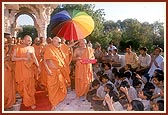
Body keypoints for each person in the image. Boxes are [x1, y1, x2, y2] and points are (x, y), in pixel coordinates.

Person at [12, 35, 40, 110]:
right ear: (23, 40)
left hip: (29, 70)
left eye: (30, 40)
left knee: (30, 88)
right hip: (21, 71)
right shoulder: (17, 47)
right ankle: (26, 98)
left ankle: (31, 102)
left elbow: (34, 58)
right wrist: (23, 58)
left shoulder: (32, 48)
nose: (30, 42)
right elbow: (13, 58)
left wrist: (38, 66)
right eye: (28, 40)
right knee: (22, 88)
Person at [43, 36, 71, 110]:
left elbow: (67, 51)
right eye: (58, 42)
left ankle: (58, 99)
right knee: (52, 88)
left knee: (61, 86)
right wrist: (48, 70)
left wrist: (74, 43)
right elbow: (45, 60)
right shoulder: (49, 48)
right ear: (53, 42)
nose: (59, 43)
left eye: (60, 42)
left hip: (59, 71)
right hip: (52, 71)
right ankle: (53, 103)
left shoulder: (59, 49)